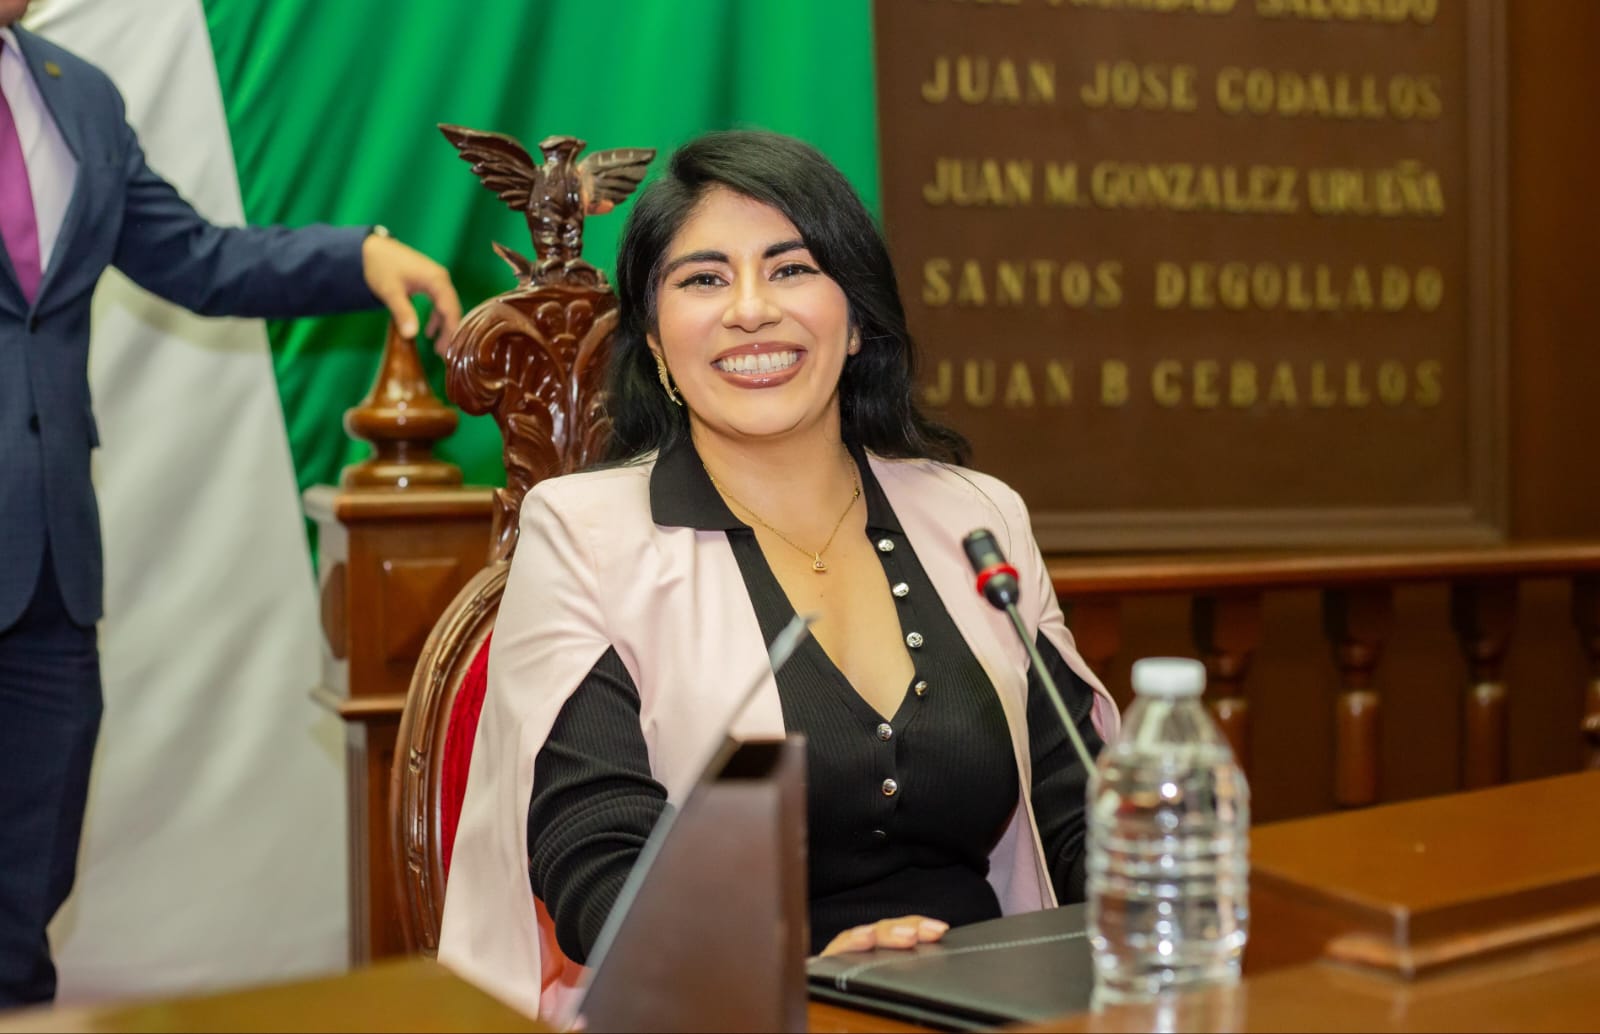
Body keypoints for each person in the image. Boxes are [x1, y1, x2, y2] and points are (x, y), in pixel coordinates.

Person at [438, 129, 1120, 1021]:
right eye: (704, 279)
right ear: (654, 338)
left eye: (792, 268)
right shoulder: (583, 536)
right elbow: (595, 857)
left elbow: (1077, 809)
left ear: (858, 317)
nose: (751, 310)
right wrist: (793, 971)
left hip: (991, 1005)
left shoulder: (975, 517)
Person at [0, 3, 462, 1009]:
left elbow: (200, 260)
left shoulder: (78, 95)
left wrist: (357, 256)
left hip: (49, 573)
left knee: (20, 901)